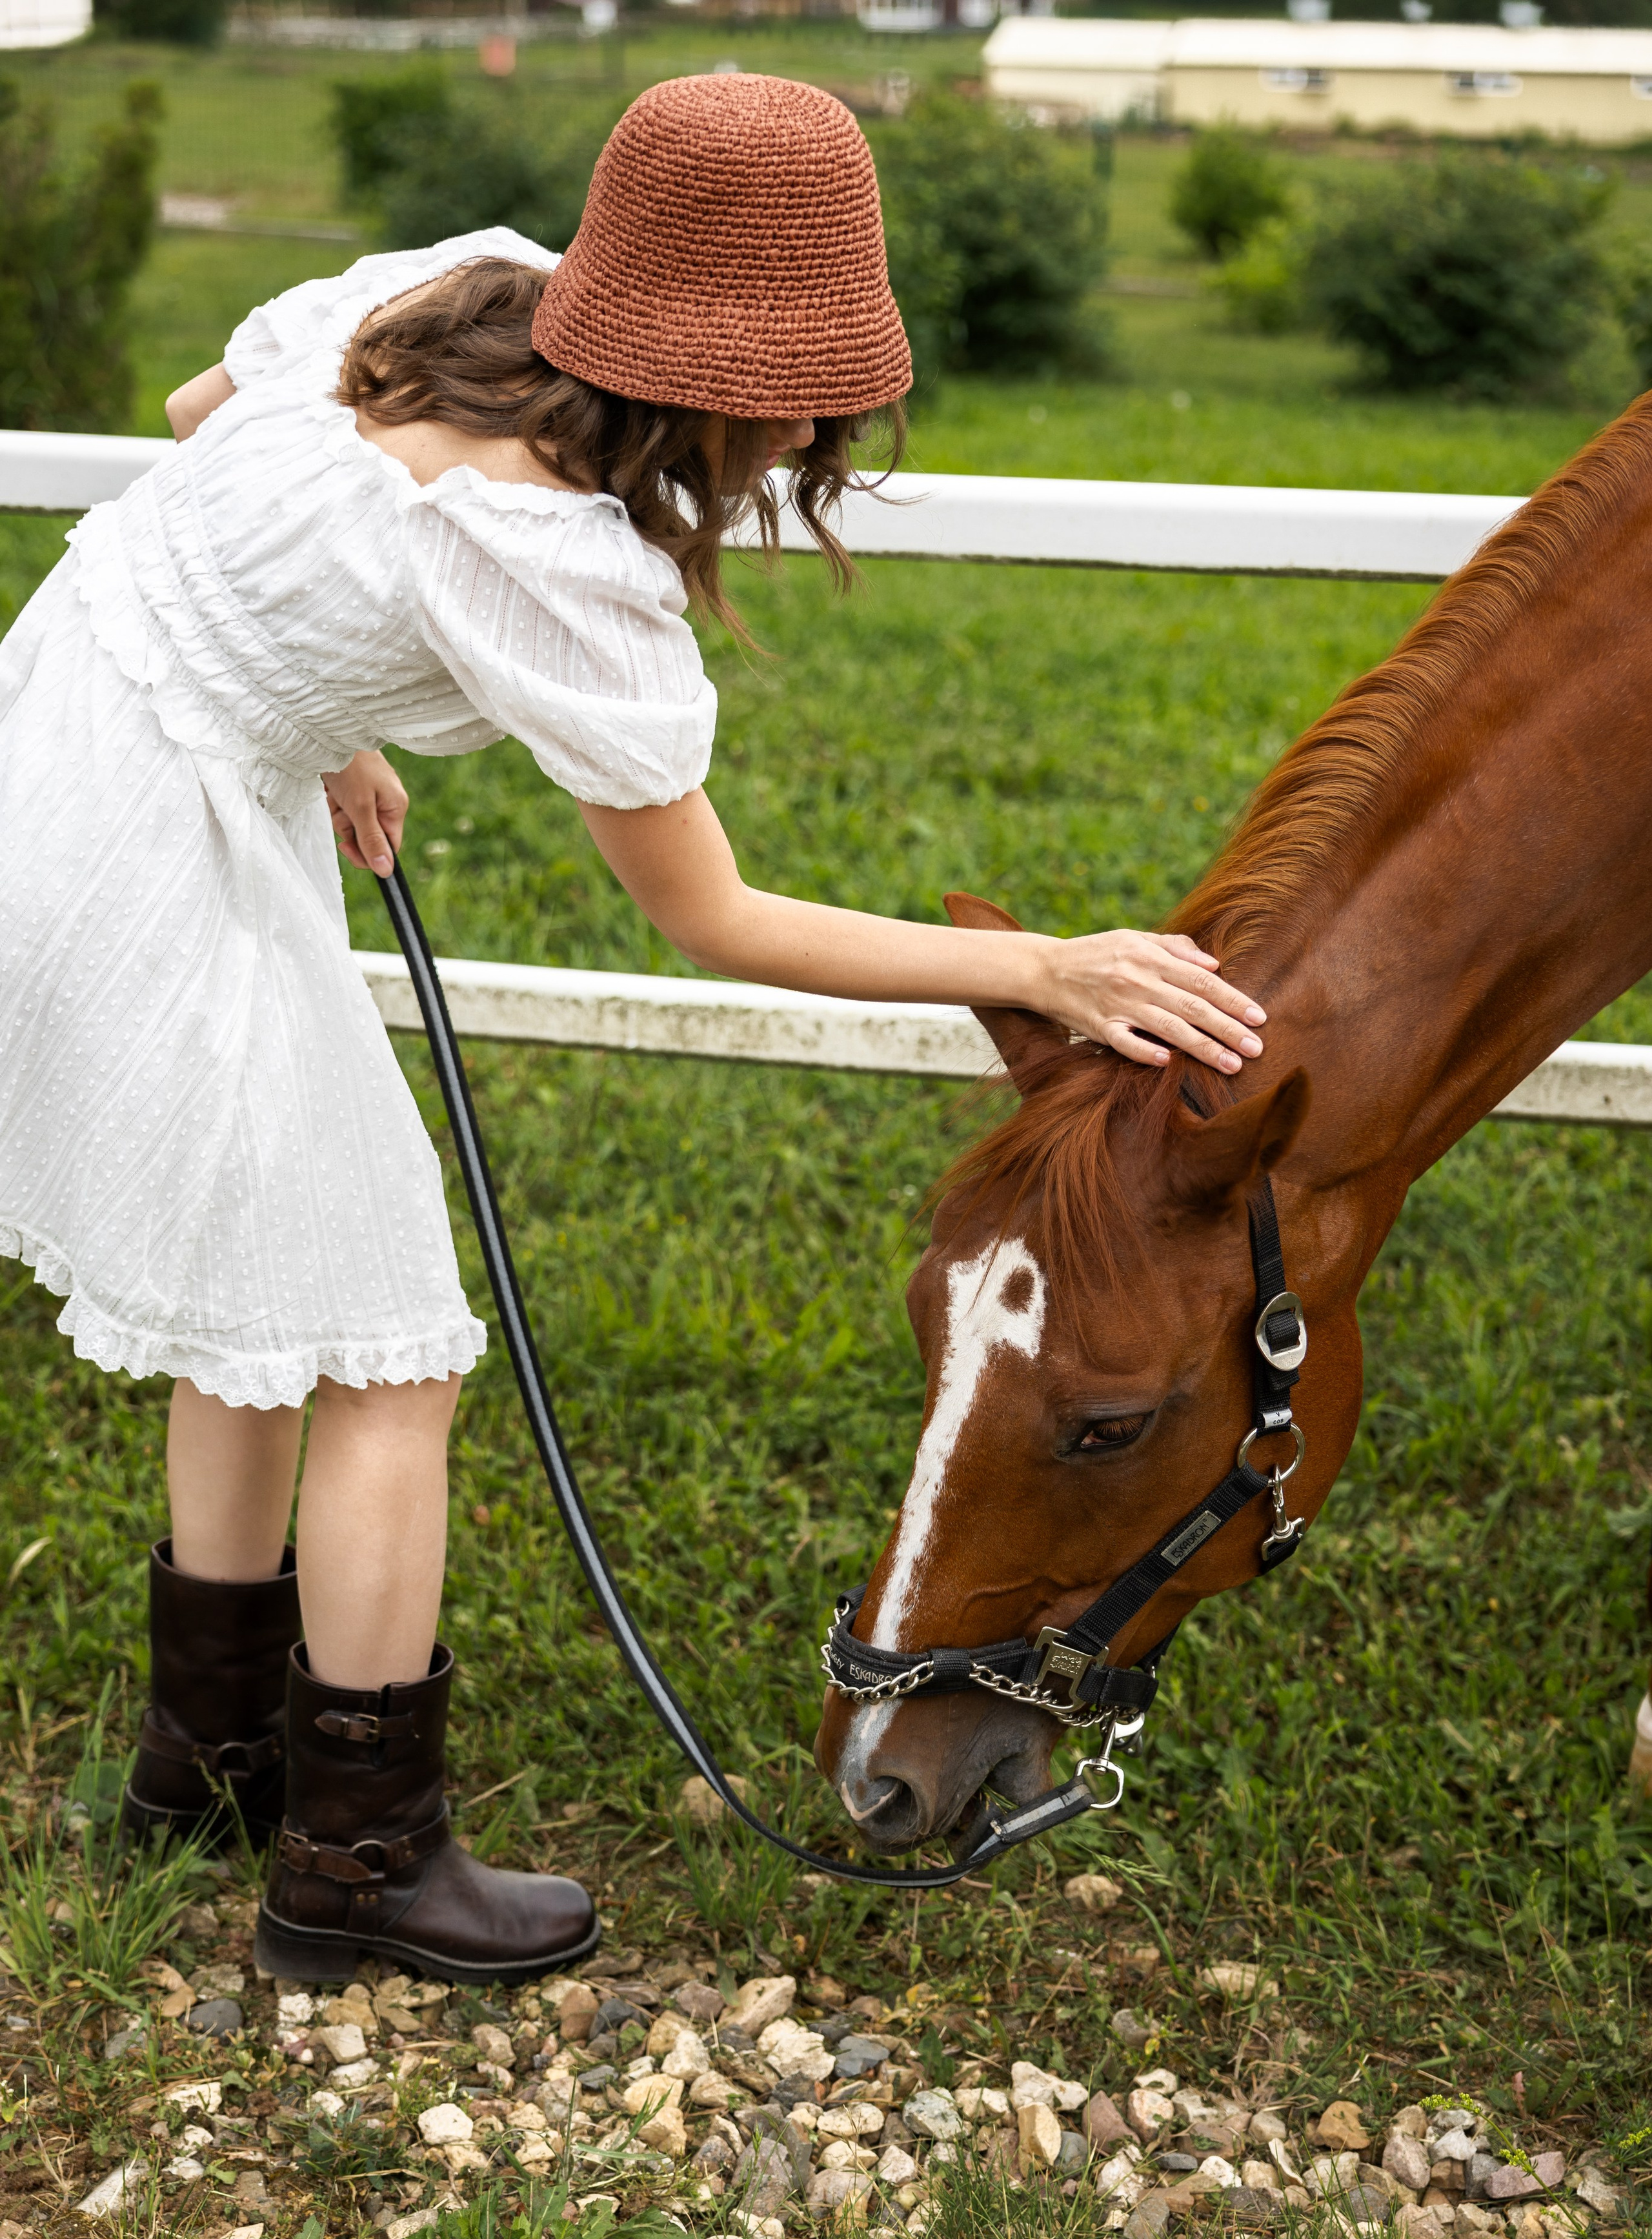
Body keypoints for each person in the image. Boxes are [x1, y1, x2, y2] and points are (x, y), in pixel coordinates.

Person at [0, 74, 1266, 1987]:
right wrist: (1041, 972)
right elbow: (715, 917)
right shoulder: (555, 556)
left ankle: (208, 1769)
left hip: (78, 735)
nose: (812, 437)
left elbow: (201, 422)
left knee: (261, 1310)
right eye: (802, 399)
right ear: (728, 383)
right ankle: (356, 1870)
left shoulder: (464, 290)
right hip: (152, 841)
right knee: (385, 1352)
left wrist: (305, 700)